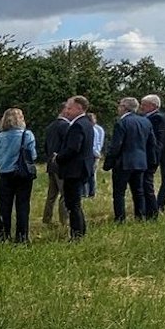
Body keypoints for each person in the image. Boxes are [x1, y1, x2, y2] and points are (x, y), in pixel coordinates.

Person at [105, 97, 158, 222]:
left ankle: (120, 219)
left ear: (125, 107)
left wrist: (109, 162)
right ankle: (140, 216)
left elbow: (116, 145)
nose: (118, 108)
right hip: (140, 162)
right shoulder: (145, 122)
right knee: (138, 191)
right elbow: (152, 143)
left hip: (123, 162)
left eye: (120, 106)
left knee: (119, 193)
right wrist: (152, 161)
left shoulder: (121, 123)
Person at [0, 108, 37, 243]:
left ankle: (3, 235)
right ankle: (22, 236)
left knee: (4, 206)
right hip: (23, 174)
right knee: (23, 205)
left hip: (5, 174)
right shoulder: (27, 135)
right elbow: (32, 155)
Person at [53, 96, 95, 240]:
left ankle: (76, 234)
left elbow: (73, 148)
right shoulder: (87, 123)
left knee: (73, 204)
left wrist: (58, 157)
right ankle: (80, 231)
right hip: (82, 168)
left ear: (79, 108)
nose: (67, 111)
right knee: (75, 203)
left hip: (74, 170)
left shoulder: (78, 125)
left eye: (70, 108)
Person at [138, 95, 165, 220]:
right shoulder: (147, 117)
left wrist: (153, 156)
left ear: (153, 106)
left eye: (144, 104)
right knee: (143, 184)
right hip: (146, 155)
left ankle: (153, 212)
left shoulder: (157, 118)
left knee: (147, 184)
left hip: (151, 156)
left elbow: (156, 140)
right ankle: (146, 210)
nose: (141, 107)